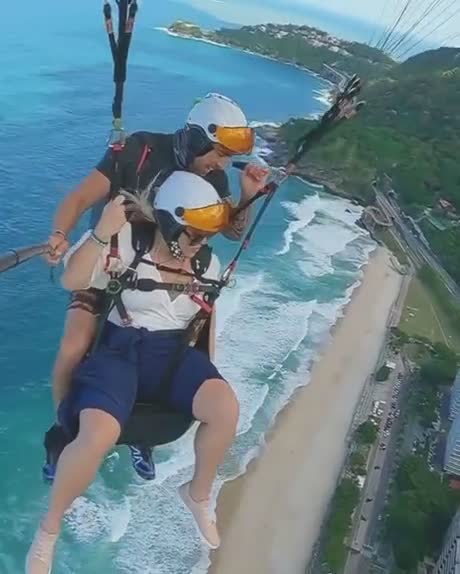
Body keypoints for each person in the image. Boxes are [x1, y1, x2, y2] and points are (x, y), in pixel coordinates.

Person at [44, 93, 268, 481]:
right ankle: (66, 428)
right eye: (217, 153)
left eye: (228, 158)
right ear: (196, 139)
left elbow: (229, 230)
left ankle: (140, 432)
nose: (223, 165)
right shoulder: (139, 151)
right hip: (109, 266)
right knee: (75, 345)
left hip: (163, 278)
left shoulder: (212, 176)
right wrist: (60, 233)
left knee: (165, 354)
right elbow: (81, 197)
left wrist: (247, 197)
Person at [27, 171, 240, 573]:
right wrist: (100, 234)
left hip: (173, 351)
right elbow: (72, 280)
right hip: (121, 347)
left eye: (206, 237)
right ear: (172, 224)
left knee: (225, 408)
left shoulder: (208, 264)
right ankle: (48, 531)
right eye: (194, 235)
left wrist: (209, 376)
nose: (201, 244)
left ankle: (197, 495)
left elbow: (205, 323)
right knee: (97, 436)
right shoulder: (127, 244)